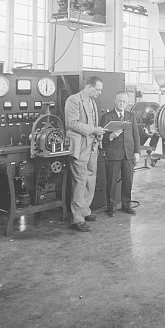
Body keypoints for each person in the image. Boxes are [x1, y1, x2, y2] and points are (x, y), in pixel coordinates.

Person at [64, 76, 105, 232]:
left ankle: (85, 210)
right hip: (80, 147)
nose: (100, 93)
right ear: (88, 87)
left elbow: (92, 123)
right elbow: (72, 123)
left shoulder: (91, 102)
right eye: (98, 89)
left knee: (90, 179)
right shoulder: (73, 100)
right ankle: (77, 218)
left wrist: (98, 132)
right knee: (80, 181)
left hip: (92, 145)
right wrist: (93, 130)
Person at [101, 91, 140, 217]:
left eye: (124, 101)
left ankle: (126, 205)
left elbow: (136, 135)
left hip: (128, 153)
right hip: (113, 154)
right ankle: (110, 207)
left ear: (127, 103)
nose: (121, 103)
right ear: (115, 101)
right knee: (111, 181)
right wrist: (110, 136)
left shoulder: (131, 116)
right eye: (119, 101)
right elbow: (101, 136)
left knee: (128, 181)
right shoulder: (107, 117)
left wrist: (137, 152)